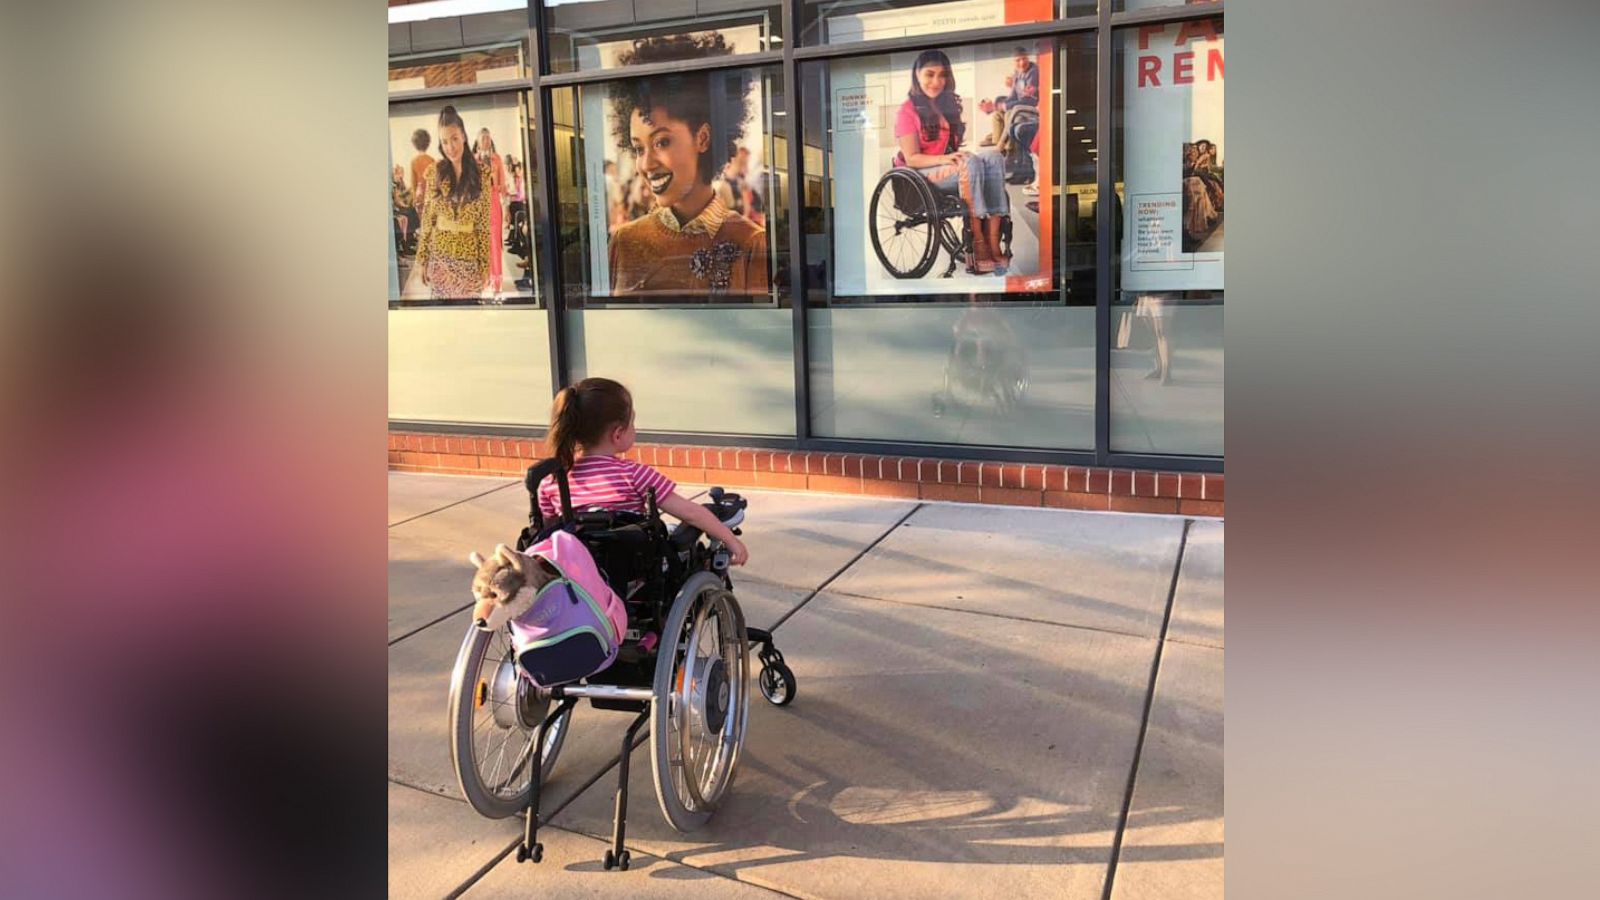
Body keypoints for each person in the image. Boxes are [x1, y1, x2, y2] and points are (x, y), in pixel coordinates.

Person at [606, 34, 769, 297]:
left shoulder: (750, 242)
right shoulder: (623, 242)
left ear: (702, 138)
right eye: (638, 148)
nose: (646, 164)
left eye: (662, 142)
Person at [540, 377, 748, 565]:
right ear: (618, 434)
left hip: (579, 573)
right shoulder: (633, 475)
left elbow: (549, 531)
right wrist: (729, 539)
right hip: (634, 571)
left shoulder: (551, 481)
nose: (635, 428)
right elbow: (691, 514)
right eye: (632, 422)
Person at [894, 49, 1010, 275]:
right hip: (918, 176)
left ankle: (994, 242)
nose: (936, 81)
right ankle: (978, 244)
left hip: (945, 168)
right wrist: (945, 158)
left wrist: (953, 158)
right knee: (970, 163)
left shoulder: (946, 104)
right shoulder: (906, 111)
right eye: (930, 74)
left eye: (942, 75)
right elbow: (912, 158)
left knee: (993, 157)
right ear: (917, 74)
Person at [415, 105, 493, 301]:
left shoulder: (482, 174)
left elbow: (483, 225)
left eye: (455, 139)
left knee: (469, 324)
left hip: (469, 262)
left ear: (464, 136)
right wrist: (422, 259)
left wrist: (484, 265)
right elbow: (427, 219)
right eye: (445, 142)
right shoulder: (435, 172)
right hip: (440, 259)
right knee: (443, 324)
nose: (450, 147)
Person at [474, 129, 508, 301]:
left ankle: (497, 286)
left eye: (488, 137)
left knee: (495, 244)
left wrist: (507, 208)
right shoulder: (472, 160)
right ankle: (482, 285)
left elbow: (503, 185)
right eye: (483, 138)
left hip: (494, 202)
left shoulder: (497, 159)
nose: (486, 140)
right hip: (478, 204)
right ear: (478, 141)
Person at [408, 129, 435, 213]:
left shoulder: (414, 161)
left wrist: (414, 197)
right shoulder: (431, 160)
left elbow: (413, 182)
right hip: (430, 193)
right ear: (427, 143)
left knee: (421, 219)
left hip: (419, 194)